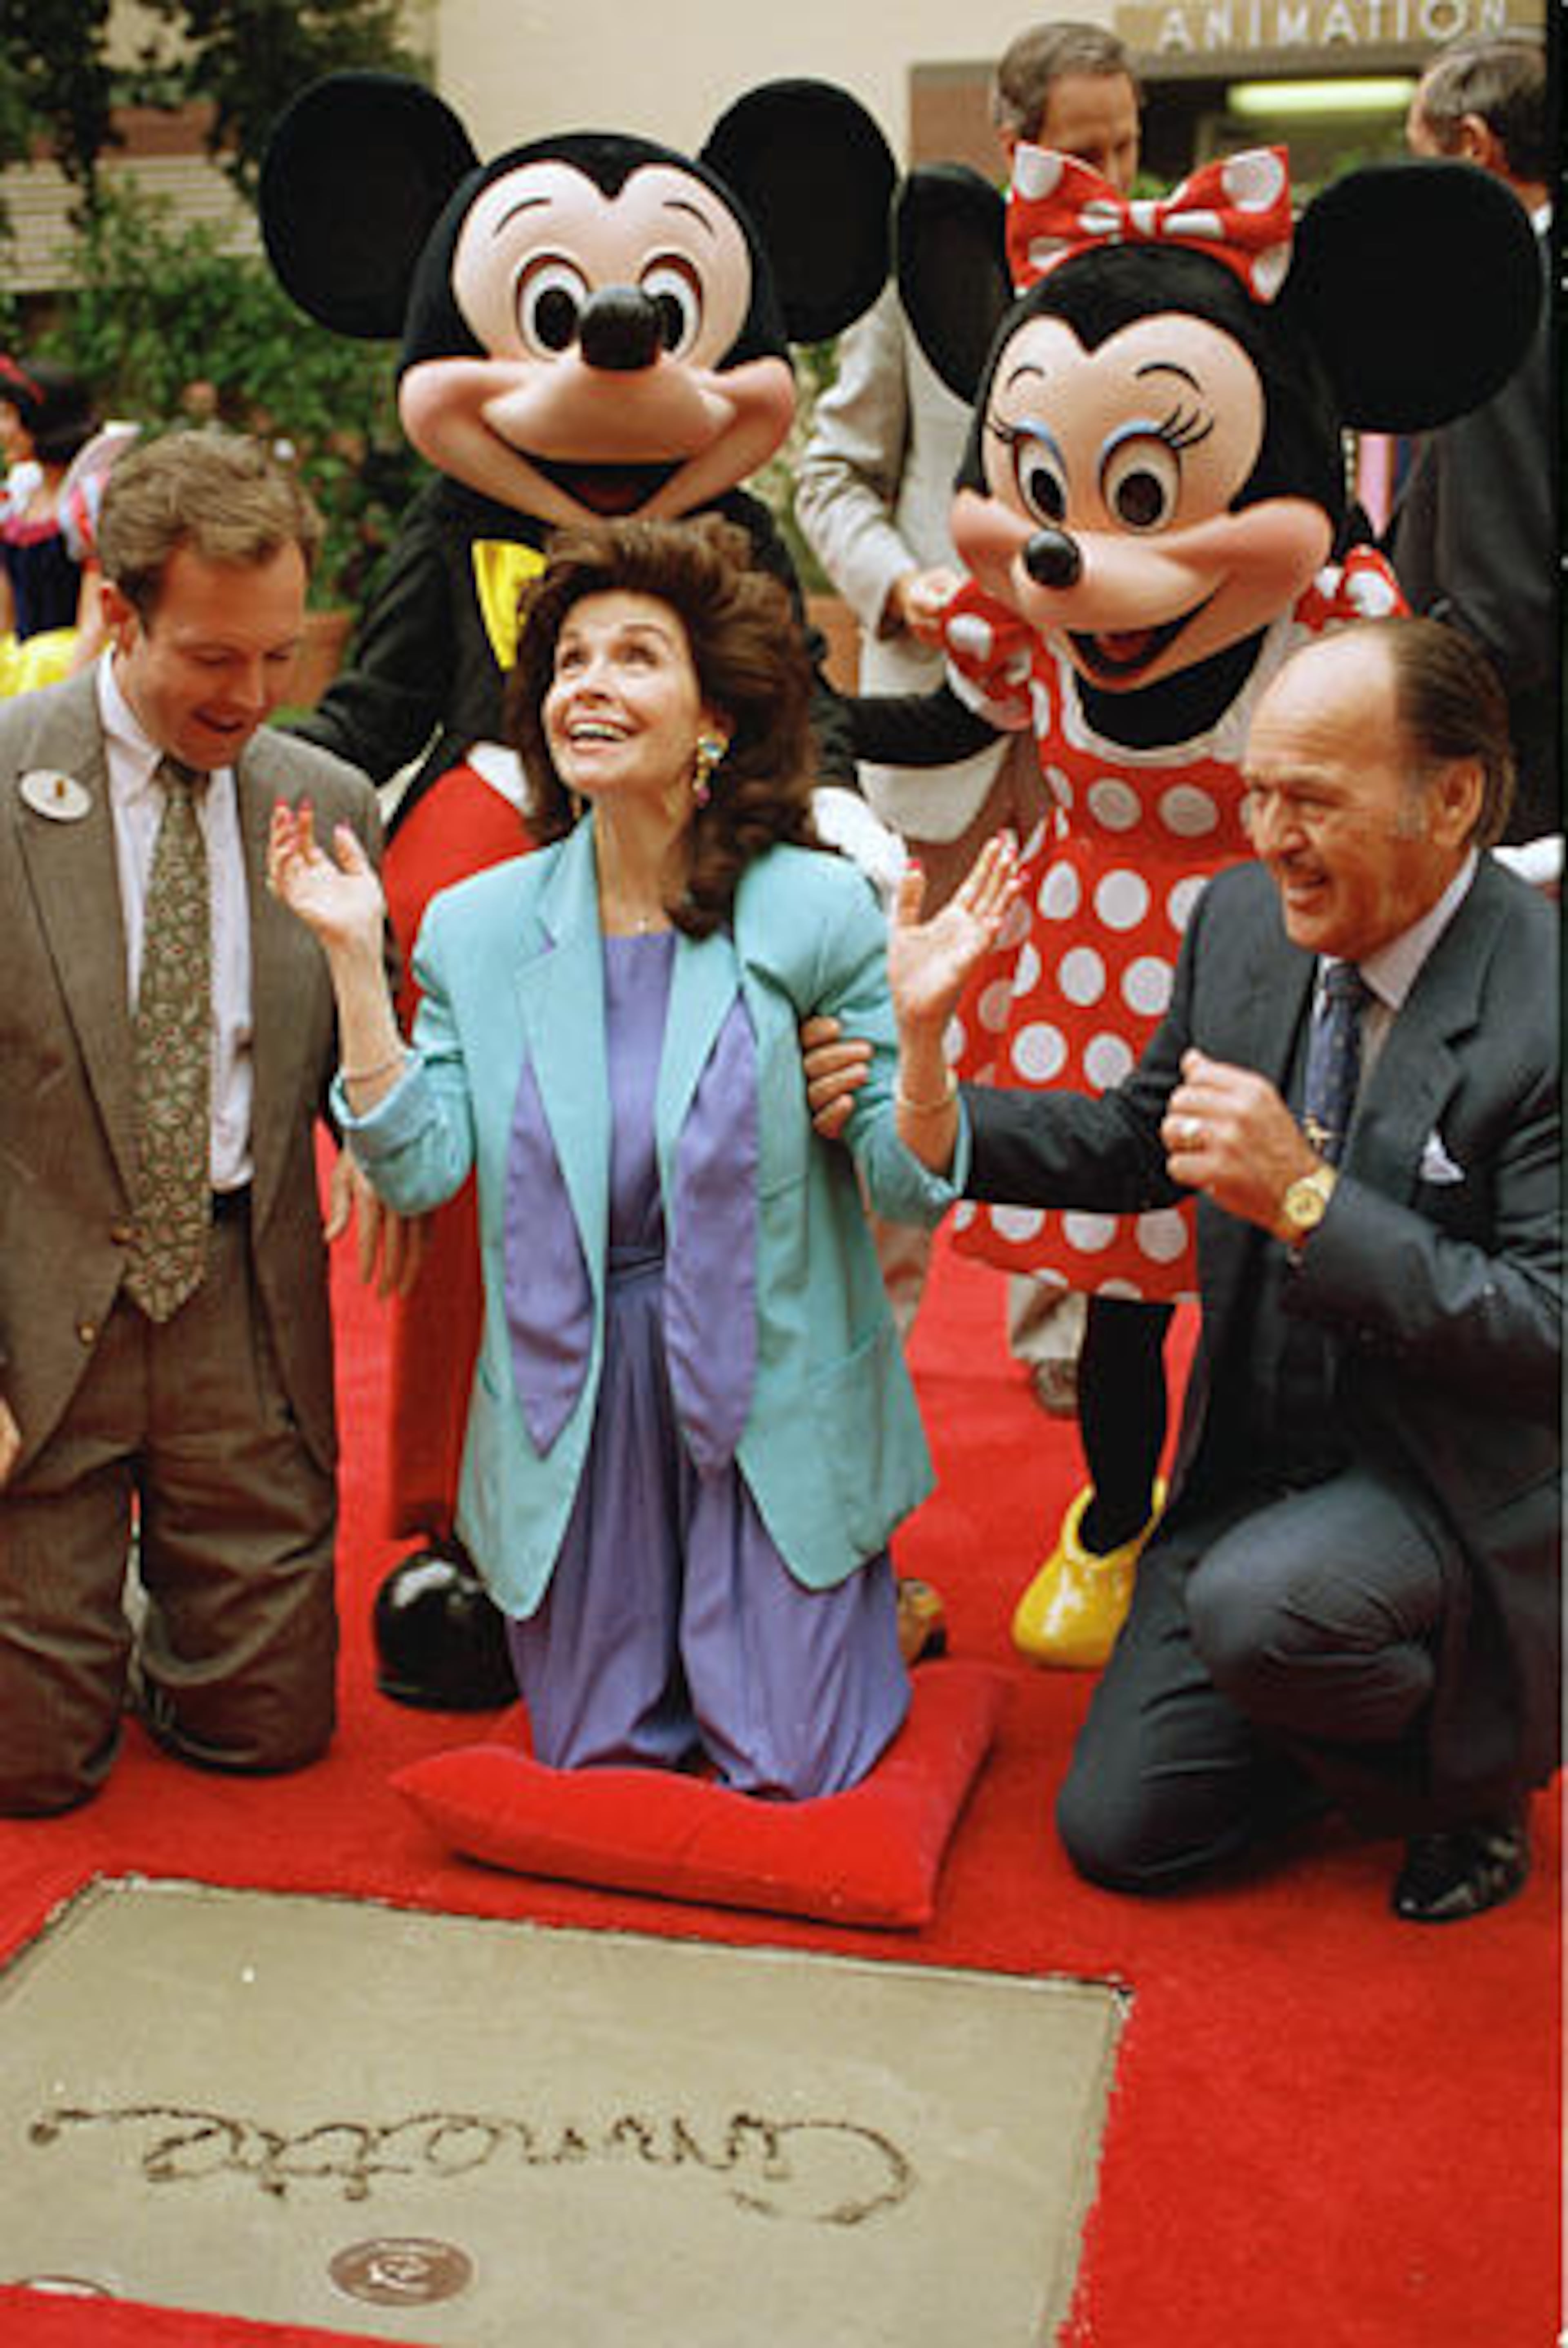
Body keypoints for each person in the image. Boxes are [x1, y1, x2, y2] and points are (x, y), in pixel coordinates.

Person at [818, 616, 1560, 1920]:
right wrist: (923, 1079)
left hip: (1451, 1479)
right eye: (1256, 792)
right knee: (1123, 1831)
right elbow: (1126, 1143)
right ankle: (1330, 1696)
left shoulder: (1541, 997)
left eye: (1311, 800)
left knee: (1265, 1611)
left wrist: (1306, 1199)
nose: (1268, 835)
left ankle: (1463, 1775)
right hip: (1252, 1472)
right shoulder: (1236, 919)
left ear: (1449, 798)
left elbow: (1545, 1332)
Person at [270, 513, 958, 1799]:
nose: (589, 683)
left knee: (789, 1761)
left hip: (765, 1383)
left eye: (635, 655)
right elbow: (417, 1172)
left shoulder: (810, 905)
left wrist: (918, 1040)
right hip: (575, 1402)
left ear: (714, 714)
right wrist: (356, 963)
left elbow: (908, 1179)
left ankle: (850, 1607)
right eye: (570, 660)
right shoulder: (477, 927)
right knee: (596, 1756)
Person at [0, 427, 408, 1816]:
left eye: (281, 655)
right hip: (39, 1307)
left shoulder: (329, 799)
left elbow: (379, 1054)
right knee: (29, 1769)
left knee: (268, 1731)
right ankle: (69, 1611)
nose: (256, 695)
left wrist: (377, 1137)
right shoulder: (2, 782)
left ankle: (145, 1624)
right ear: (120, 612)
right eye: (216, 658)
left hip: (237, 1295)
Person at [794, 21, 1141, 1394]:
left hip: (1105, 735)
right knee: (900, 1029)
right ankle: (870, 1325)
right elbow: (831, 475)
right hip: (929, 727)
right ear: (1015, 146)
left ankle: (1063, 1332)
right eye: (1086, 145)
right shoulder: (913, 277)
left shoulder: (1170, 284)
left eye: (1128, 142)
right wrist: (909, 591)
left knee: (1089, 1013)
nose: (1113, 169)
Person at [1390, 28, 1556, 847]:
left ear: (1475, 149)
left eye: (1421, 159)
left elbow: (1504, 610)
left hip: (1516, 790)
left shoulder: (1510, 311)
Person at [0, 356, 101, 693]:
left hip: (69, 669)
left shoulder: (86, 504)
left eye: (7, 417)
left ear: (41, 422)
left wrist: (68, 702)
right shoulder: (16, 500)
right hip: (19, 669)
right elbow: (5, 614)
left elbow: (96, 621)